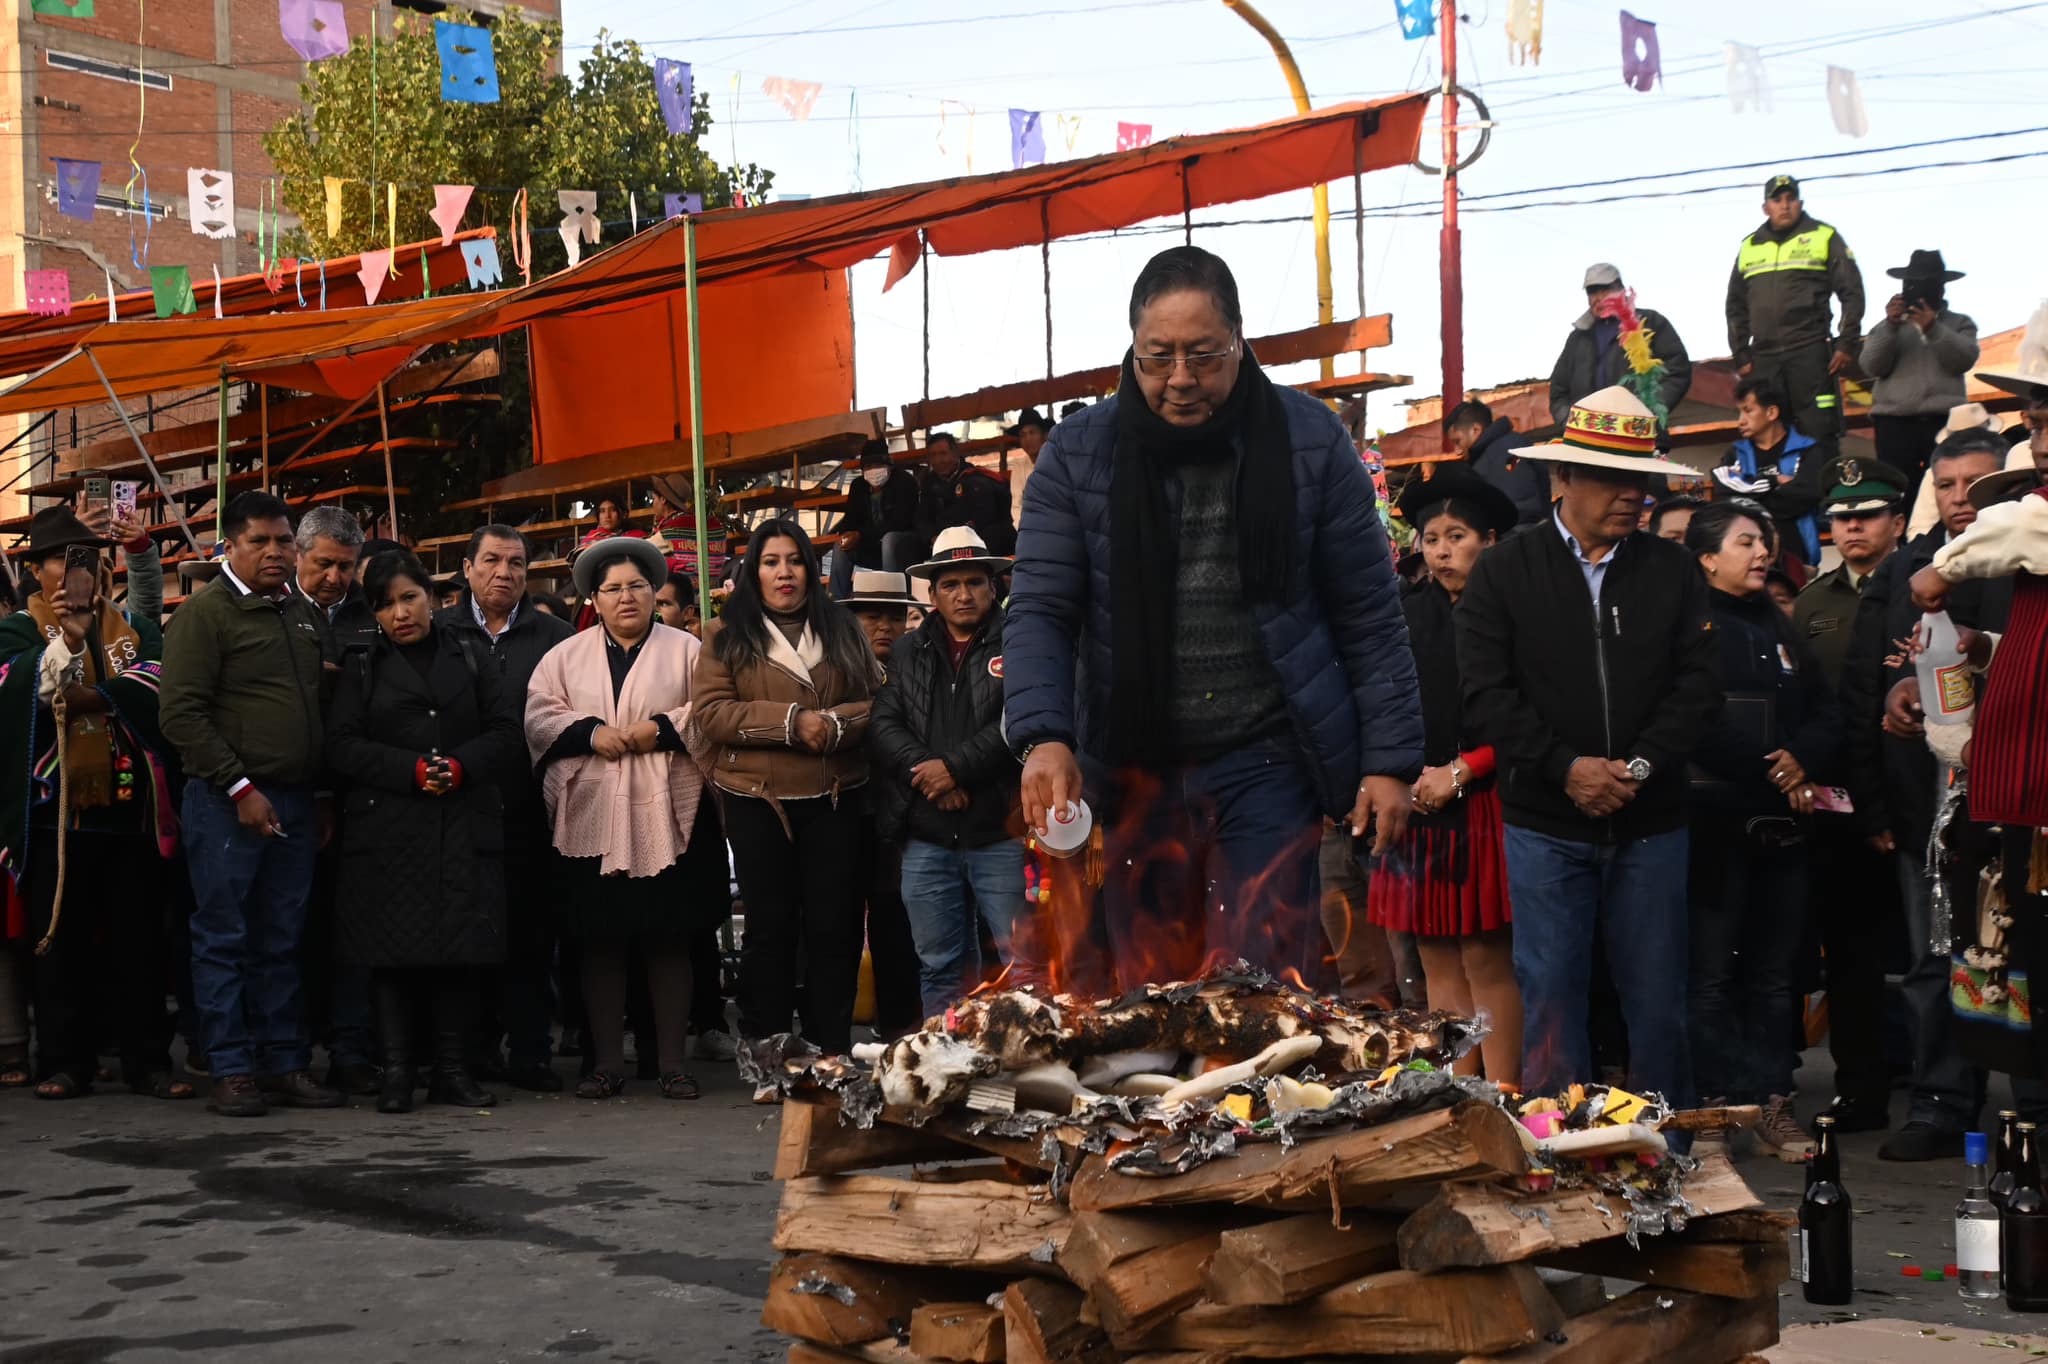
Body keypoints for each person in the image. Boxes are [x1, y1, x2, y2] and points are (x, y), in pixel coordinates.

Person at [1005, 244, 1422, 990]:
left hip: (1265, 759)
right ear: (1133, 349)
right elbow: (1041, 606)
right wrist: (1043, 735)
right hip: (1134, 762)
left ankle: (1256, 1105)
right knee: (1147, 984)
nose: (1181, 379)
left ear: (1239, 339)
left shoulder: (1310, 440)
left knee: (1262, 986)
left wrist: (1388, 763)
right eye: (1158, 356)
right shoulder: (1077, 454)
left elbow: (1367, 612)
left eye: (1204, 354)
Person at [1456, 386, 1720, 1104]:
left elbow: (1698, 686)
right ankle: (1558, 1150)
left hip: (1650, 819)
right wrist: (1564, 767)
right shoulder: (1505, 572)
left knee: (1657, 998)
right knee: (1551, 997)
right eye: (1613, 478)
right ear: (1561, 479)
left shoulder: (1670, 572)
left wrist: (1636, 766)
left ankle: (1665, 1144)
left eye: (1640, 480)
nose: (1633, 496)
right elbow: (1486, 692)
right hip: (1544, 822)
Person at [1840, 430, 2009, 1156]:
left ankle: (2026, 1105)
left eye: (1978, 482)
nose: (1962, 498)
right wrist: (1898, 700)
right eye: (1948, 485)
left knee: (2013, 956)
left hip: (2015, 797)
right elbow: (1864, 684)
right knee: (1930, 960)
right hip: (1923, 803)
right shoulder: (1906, 566)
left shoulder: (2028, 563)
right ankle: (1940, 1104)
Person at [160, 491, 339, 1118]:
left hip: (293, 798)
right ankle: (232, 1068)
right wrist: (240, 788)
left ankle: (284, 1063)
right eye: (259, 541)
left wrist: (316, 796)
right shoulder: (204, 615)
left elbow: (313, 711)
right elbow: (180, 714)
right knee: (223, 937)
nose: (274, 551)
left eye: (283, 540)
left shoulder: (299, 613)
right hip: (226, 801)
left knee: (282, 938)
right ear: (228, 545)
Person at [325, 550, 522, 1114]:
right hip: (388, 829)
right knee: (391, 953)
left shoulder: (469, 655)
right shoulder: (362, 665)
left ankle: (453, 1072)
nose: (399, 614)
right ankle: (398, 1072)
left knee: (456, 949)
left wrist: (460, 766)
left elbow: (507, 733)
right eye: (385, 605)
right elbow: (341, 745)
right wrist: (407, 771)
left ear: (432, 598)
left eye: (408, 598)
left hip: (462, 821)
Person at [0, 504, 185, 1101]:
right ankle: (64, 1061)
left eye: (83, 558)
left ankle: (148, 1062)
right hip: (54, 811)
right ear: (37, 570)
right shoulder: (19, 630)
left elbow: (159, 679)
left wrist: (100, 694)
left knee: (139, 942)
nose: (71, 570)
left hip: (131, 808)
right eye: (58, 558)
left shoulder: (129, 628)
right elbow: (29, 690)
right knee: (61, 939)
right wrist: (69, 641)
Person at [525, 537, 721, 1100]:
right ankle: (607, 1062)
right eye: (612, 588)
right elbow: (540, 715)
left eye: (638, 586)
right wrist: (591, 733)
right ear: (594, 597)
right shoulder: (565, 654)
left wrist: (654, 731)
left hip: (670, 811)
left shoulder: (686, 648)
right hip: (593, 810)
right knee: (599, 938)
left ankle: (670, 1064)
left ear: (654, 593)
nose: (627, 597)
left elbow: (707, 710)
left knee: (668, 936)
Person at [1682, 501, 1843, 1159]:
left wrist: (1803, 757)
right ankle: (1714, 1109)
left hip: (1781, 826)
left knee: (1775, 975)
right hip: (1711, 826)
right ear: (1706, 556)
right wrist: (1766, 767)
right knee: (1710, 974)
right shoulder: (1688, 626)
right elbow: (1690, 717)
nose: (1761, 554)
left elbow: (1827, 711)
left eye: (1765, 542)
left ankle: (1772, 1102)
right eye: (1746, 542)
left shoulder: (1781, 625)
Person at [693, 519, 879, 1081]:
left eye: (793, 560)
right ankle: (767, 1051)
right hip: (757, 800)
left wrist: (835, 726)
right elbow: (711, 715)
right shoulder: (725, 635)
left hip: (836, 797)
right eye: (771, 561)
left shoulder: (844, 629)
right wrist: (793, 724)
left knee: (834, 924)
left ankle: (830, 1047)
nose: (783, 572)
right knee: (770, 927)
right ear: (754, 571)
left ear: (811, 570)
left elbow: (878, 701)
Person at [1370, 464, 1522, 1086]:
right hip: (1419, 800)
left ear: (1488, 540)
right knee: (1433, 956)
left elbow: (1528, 715)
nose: (1441, 551)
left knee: (1486, 957)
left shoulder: (1514, 611)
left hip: (1486, 800)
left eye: (1457, 536)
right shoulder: (1407, 612)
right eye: (1431, 539)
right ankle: (1459, 1091)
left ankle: (1506, 1091)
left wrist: (1464, 770)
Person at [437, 525, 575, 1092]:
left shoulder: (558, 638)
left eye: (516, 563)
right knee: (468, 935)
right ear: (466, 567)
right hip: (456, 808)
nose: (505, 573)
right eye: (491, 560)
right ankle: (471, 1052)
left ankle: (531, 1053)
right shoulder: (438, 631)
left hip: (530, 808)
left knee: (530, 936)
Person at [870, 528, 1026, 1012]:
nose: (964, 593)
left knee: (1024, 963)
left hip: (1002, 827)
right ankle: (945, 1072)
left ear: (993, 586)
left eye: (974, 582)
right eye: (951, 583)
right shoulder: (907, 651)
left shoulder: (1021, 641)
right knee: (939, 965)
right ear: (932, 593)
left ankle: (1030, 1075)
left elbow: (1018, 719)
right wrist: (930, 774)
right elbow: (884, 723)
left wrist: (954, 769)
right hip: (928, 831)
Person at [287, 505, 379, 1095]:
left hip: (358, 801)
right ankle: (290, 1055)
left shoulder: (370, 619)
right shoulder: (274, 613)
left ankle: (352, 1052)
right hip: (288, 797)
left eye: (346, 566)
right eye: (324, 564)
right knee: (289, 934)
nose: (335, 578)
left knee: (354, 933)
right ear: (299, 556)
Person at [841, 568, 925, 1038]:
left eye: (895, 616)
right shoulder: (837, 673)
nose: (885, 627)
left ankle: (899, 1026)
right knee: (841, 923)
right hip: (846, 811)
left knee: (898, 922)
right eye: (873, 617)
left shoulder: (919, 669)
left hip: (904, 816)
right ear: (854, 621)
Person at [1726, 173, 1865, 441]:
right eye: (1777, 199)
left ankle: (1820, 480)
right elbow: (1735, 304)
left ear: (1800, 203)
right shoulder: (1749, 246)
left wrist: (1846, 342)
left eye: (1791, 198)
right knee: (1770, 433)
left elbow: (1852, 291)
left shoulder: (1823, 236)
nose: (1785, 205)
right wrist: (1741, 353)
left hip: (1810, 351)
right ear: (1766, 207)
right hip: (1764, 359)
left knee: (1819, 429)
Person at [1861, 251, 1978, 494]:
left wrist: (1932, 328)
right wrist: (1891, 326)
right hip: (1894, 424)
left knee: (1946, 487)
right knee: (1897, 492)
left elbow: (1963, 360)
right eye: (1912, 285)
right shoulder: (1886, 327)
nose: (1918, 290)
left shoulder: (1959, 323)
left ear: (1941, 289)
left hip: (1945, 421)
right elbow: (1871, 366)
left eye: (1927, 285)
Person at [1795, 457, 1909, 689]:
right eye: (1843, 517)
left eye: (1868, 515)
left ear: (1897, 525)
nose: (1853, 526)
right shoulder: (1810, 601)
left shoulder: (1921, 588)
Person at [1547, 262, 1692, 433]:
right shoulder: (1577, 338)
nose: (1599, 297)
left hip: (1639, 436)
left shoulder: (1651, 322)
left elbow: (1678, 371)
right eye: (1592, 291)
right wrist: (1569, 422)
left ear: (1621, 289)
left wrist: (1647, 413)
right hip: (1587, 442)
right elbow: (1558, 392)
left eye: (1605, 289)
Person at [1713, 376, 1829, 570]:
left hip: (1799, 558)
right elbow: (1723, 490)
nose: (1740, 421)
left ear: (1772, 412)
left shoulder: (1808, 450)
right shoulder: (1736, 453)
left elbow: (1809, 493)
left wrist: (1750, 496)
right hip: (1747, 562)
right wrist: (1774, 481)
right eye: (1739, 412)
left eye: (1748, 411)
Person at [830, 439, 921, 599]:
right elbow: (850, 518)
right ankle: (837, 602)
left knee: (889, 539)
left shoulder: (904, 482)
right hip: (873, 549)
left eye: (878, 466)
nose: (874, 470)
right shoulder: (858, 486)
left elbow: (900, 522)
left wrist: (860, 534)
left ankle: (892, 596)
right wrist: (846, 534)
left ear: (889, 465)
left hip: (904, 547)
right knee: (841, 546)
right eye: (869, 467)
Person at [1448, 399, 1548, 527]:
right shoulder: (1491, 454)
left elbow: (1519, 511)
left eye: (1457, 441)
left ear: (1475, 430)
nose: (1457, 450)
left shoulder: (1505, 451)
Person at [916, 431, 1015, 558]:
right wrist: (931, 537)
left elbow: (985, 517)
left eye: (943, 454)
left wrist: (958, 537)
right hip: (942, 543)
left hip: (975, 539)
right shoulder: (928, 483)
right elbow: (922, 518)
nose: (938, 460)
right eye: (933, 455)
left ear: (955, 453)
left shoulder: (975, 479)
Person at [647, 473, 727, 584]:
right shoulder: (710, 525)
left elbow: (641, 550)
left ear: (663, 500)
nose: (653, 504)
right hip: (712, 591)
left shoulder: (672, 530)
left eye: (654, 498)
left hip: (684, 592)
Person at [1007, 408, 1053, 531]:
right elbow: (1017, 506)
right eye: (1023, 435)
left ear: (1044, 435)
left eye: (1032, 433)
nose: (1028, 439)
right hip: (1029, 529)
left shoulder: (1056, 462)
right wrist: (1024, 530)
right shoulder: (1019, 466)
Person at [654, 572, 702, 637]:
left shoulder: (692, 646)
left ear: (687, 613)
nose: (653, 610)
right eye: (649, 603)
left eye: (664, 604)